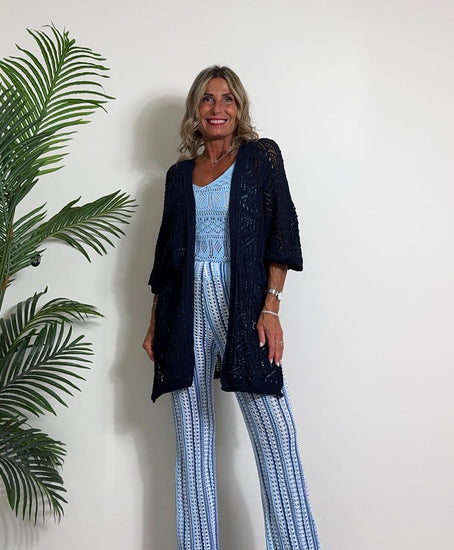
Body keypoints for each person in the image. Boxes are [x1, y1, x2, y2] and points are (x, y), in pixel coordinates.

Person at [142, 65, 320, 550]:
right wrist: (155, 322)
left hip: (242, 302)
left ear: (239, 108)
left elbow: (282, 230)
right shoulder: (179, 175)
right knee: (192, 438)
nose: (217, 108)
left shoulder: (261, 158)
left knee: (275, 432)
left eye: (227, 99)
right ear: (195, 110)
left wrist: (271, 307)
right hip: (183, 308)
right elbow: (166, 255)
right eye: (207, 99)